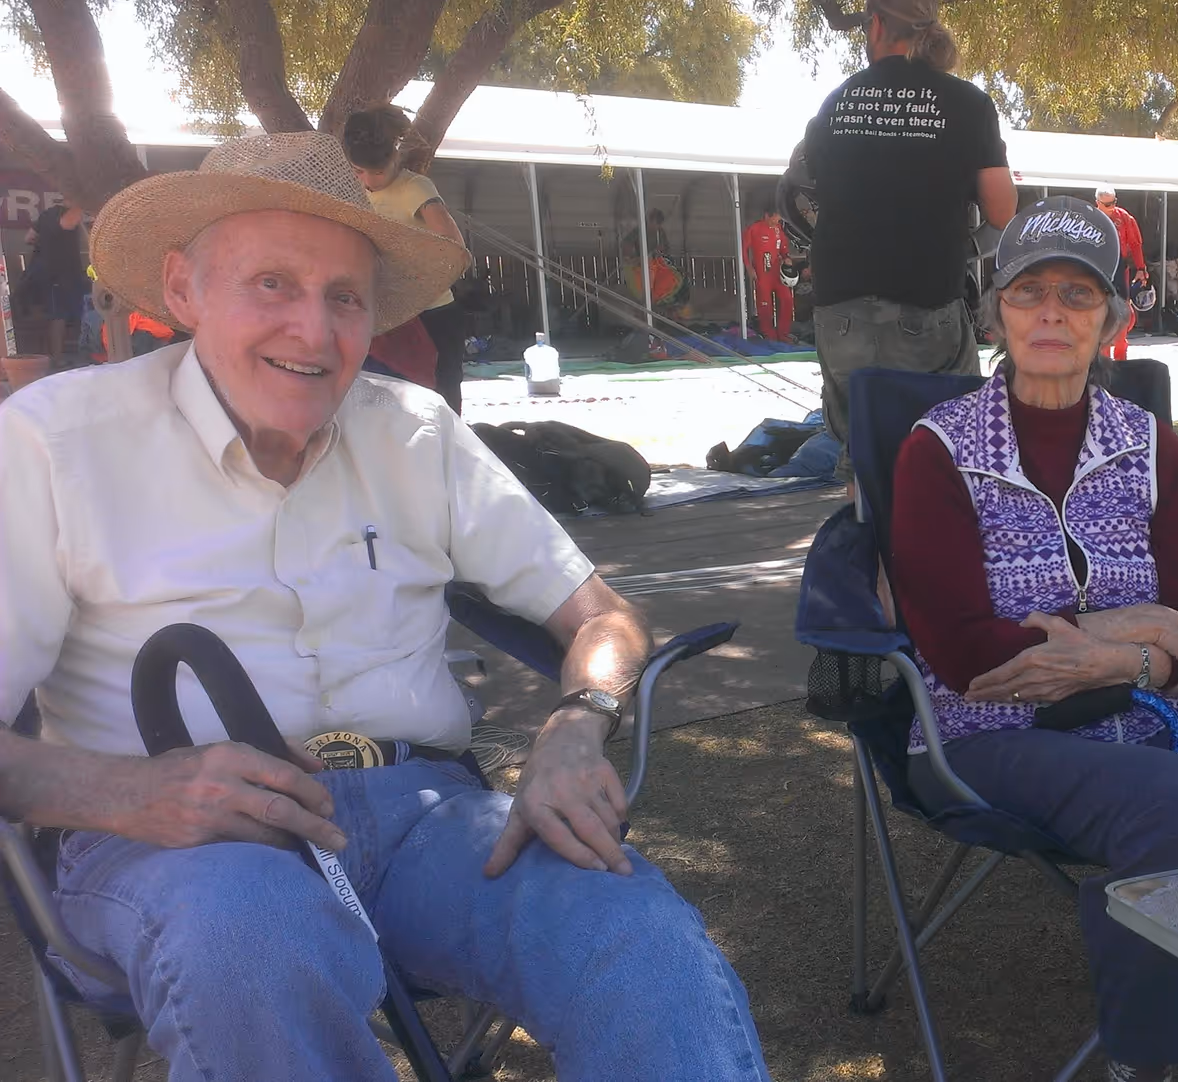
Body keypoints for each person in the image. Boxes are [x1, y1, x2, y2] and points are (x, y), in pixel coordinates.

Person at [0, 132, 771, 1082]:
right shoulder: (52, 443)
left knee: (637, 939)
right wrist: (131, 793)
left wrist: (580, 721)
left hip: (425, 818)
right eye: (272, 283)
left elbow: (601, 617)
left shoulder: (415, 432)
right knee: (249, 943)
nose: (314, 333)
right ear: (185, 289)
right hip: (184, 842)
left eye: (345, 298)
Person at [889, 197, 1178, 1082]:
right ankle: (1156, 1063)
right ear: (995, 310)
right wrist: (1140, 624)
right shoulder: (938, 450)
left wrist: (1122, 660)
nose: (1052, 312)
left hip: (1149, 706)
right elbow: (974, 661)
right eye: (1030, 290)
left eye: (1079, 295)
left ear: (1113, 318)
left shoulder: (1148, 443)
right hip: (983, 735)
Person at [804, 0, 1018, 475]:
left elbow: (799, 188)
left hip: (840, 313)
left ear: (876, 25)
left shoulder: (838, 100)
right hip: (926, 305)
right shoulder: (968, 103)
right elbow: (1003, 211)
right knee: (946, 455)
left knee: (863, 461)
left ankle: (868, 544)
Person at [343, 105, 473, 413]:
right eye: (358, 171)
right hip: (389, 316)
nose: (368, 180)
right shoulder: (358, 194)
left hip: (433, 313)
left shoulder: (415, 188)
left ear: (394, 156)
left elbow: (455, 249)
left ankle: (449, 454)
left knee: (441, 394)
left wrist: (419, 283)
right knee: (390, 394)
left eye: (377, 171)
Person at [24, 201, 87, 364]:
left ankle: (65, 355)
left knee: (63, 314)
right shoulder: (66, 214)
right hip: (60, 274)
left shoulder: (46, 214)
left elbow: (28, 238)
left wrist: (42, 241)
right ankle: (58, 358)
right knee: (60, 315)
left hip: (53, 274)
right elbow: (68, 224)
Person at [1094, 185, 1148, 361]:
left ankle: (1120, 356)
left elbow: (1135, 243)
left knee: (1122, 310)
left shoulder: (1124, 217)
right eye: (1107, 204)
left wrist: (1141, 268)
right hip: (1099, 267)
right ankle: (1102, 357)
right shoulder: (1091, 218)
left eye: (1113, 203)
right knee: (1100, 309)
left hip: (1119, 266)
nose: (1111, 207)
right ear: (1097, 203)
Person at [743, 205, 793, 342]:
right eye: (773, 221)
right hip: (762, 273)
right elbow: (744, 249)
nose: (775, 223)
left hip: (777, 273)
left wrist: (787, 257)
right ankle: (769, 334)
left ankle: (783, 333)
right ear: (766, 216)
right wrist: (749, 268)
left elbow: (783, 248)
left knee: (787, 299)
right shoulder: (754, 228)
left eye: (777, 221)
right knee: (765, 304)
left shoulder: (778, 229)